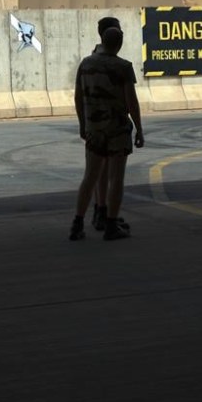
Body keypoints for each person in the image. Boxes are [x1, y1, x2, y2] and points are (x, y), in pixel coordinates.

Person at [70, 26, 144, 241]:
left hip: (94, 129)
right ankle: (111, 223)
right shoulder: (123, 67)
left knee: (90, 177)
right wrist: (139, 128)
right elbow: (132, 102)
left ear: (101, 40)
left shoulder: (85, 64)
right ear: (119, 45)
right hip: (117, 129)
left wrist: (83, 124)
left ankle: (77, 223)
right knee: (116, 178)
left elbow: (78, 97)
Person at [88, 16, 129, 235]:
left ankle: (101, 210)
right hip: (112, 124)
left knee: (98, 171)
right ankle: (106, 213)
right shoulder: (114, 63)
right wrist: (138, 126)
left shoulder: (90, 60)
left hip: (94, 124)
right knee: (112, 174)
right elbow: (128, 98)